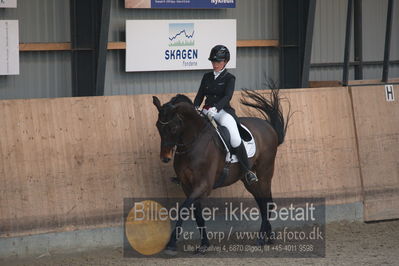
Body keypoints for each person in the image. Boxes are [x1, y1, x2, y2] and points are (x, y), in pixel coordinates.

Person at [194, 45, 258, 184]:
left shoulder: (229, 78)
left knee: (235, 138)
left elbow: (227, 96)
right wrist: (195, 107)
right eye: (213, 61)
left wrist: (216, 108)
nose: (215, 64)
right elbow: (200, 95)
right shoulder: (206, 77)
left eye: (218, 61)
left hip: (222, 111)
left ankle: (247, 170)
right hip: (206, 110)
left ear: (225, 62)